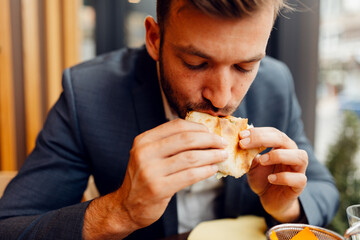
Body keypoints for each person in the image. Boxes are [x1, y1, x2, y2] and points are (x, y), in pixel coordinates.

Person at [0, 0, 339, 239]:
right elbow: (10, 226)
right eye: (195, 63)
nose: (222, 98)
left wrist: (286, 208)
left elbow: (323, 191)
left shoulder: (275, 83)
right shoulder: (87, 93)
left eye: (244, 67)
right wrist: (120, 211)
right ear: (154, 38)